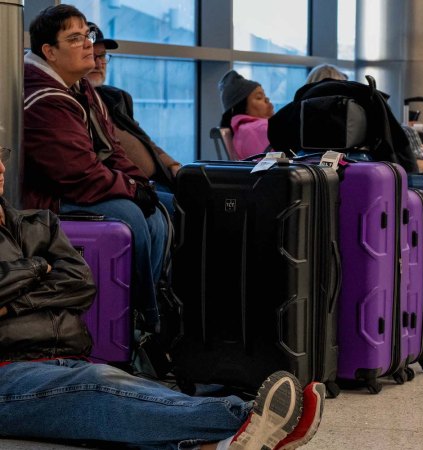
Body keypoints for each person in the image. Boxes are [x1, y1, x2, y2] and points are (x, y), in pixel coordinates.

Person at [0, 145, 325, 448]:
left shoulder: (39, 224)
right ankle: (248, 418)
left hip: (61, 356)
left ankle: (226, 443)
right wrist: (38, 268)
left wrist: (12, 300)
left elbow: (80, 282)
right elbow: (62, 284)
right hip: (8, 370)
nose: (0, 167)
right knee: (96, 384)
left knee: (136, 390)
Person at [23, 4, 167, 330]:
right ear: (50, 52)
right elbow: (77, 175)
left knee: (162, 208)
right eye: (75, 39)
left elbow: (111, 148)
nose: (89, 43)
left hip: (81, 184)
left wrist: (138, 183)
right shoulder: (43, 98)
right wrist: (131, 189)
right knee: (132, 216)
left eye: (85, 34)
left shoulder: (80, 87)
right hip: (47, 199)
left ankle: (148, 307)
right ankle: (142, 318)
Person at [85, 22, 181, 200]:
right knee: (178, 206)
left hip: (155, 179)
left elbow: (144, 140)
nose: (99, 64)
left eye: (103, 56)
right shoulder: (75, 103)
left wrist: (172, 164)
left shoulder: (115, 98)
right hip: (126, 188)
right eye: (92, 56)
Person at [218, 70, 274, 160]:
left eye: (265, 96)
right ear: (243, 106)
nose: (267, 101)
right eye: (259, 97)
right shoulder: (257, 128)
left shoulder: (241, 130)